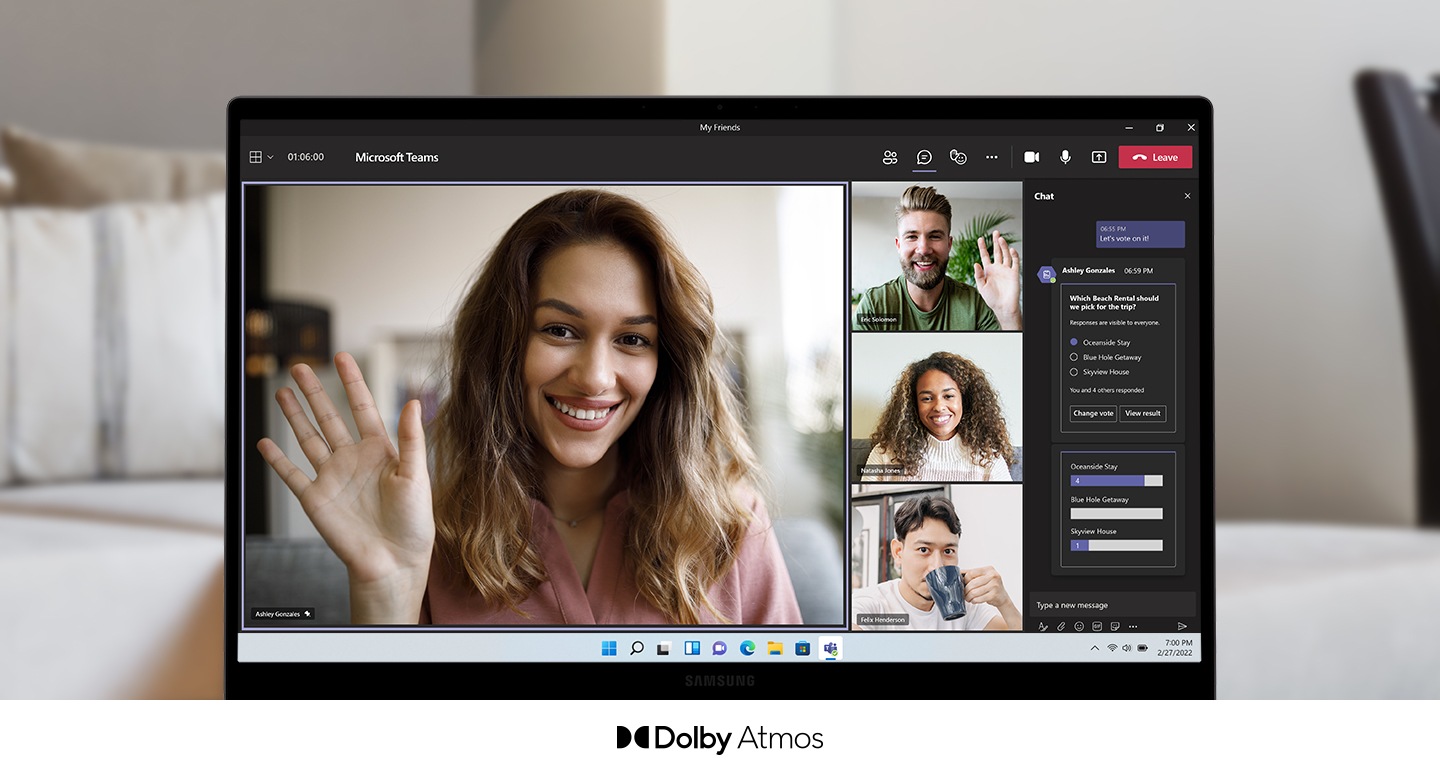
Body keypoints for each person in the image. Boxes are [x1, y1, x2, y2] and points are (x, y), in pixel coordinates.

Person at [257, 189, 801, 625]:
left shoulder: (729, 524)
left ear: (668, 363)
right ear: (504, 345)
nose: (594, 377)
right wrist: (385, 593)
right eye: (559, 330)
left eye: (633, 339)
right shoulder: (426, 537)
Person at [852, 185, 1022, 331]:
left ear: (949, 244)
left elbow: (1012, 365)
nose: (924, 249)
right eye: (912, 236)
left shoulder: (974, 305)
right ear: (899, 245)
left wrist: (1008, 315)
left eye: (934, 236)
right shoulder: (875, 306)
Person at [851, 495, 1018, 631]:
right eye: (924, 550)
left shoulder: (965, 607)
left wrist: (1004, 602)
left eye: (948, 551)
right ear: (898, 552)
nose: (937, 565)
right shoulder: (870, 605)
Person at [862, 351, 1014, 482]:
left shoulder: (989, 461)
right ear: (913, 404)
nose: (939, 407)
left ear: (965, 400)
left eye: (948, 396)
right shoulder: (885, 455)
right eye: (927, 398)